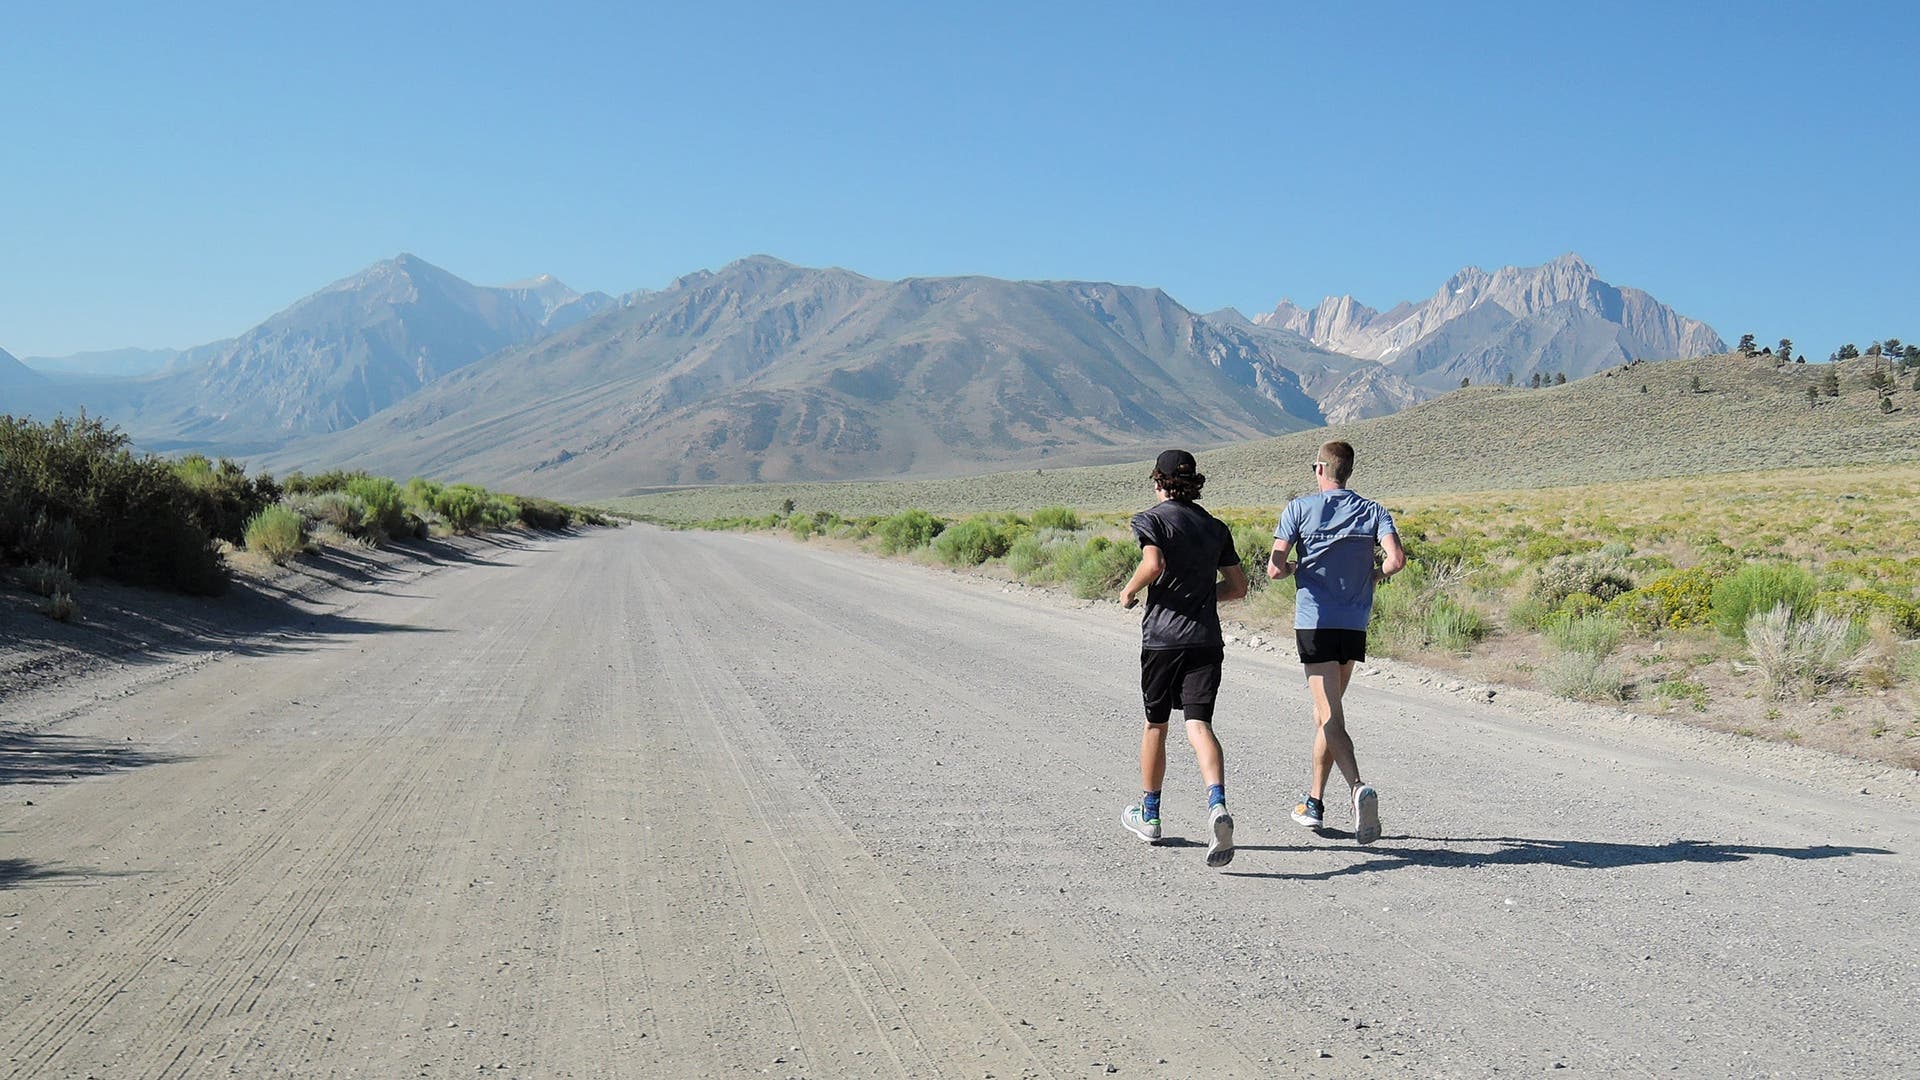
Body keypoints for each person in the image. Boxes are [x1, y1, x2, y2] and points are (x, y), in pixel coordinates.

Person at [1267, 440, 1405, 845]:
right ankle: (1314, 802)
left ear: (1320, 470)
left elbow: (1275, 570)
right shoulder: (1374, 510)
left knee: (1329, 714)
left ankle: (1358, 788)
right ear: (1347, 471)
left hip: (1315, 622)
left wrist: (1291, 565)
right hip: (1354, 622)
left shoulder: (1298, 509)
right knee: (1327, 714)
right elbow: (1396, 560)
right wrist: (1374, 575)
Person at [1119, 449, 1249, 868]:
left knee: (1156, 724)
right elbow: (1238, 587)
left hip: (1163, 641)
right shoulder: (1215, 527)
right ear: (1194, 483)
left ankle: (1150, 814)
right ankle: (1217, 806)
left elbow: (1152, 563)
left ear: (1158, 481)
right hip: (1206, 640)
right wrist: (1199, 597)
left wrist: (1129, 590)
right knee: (1199, 724)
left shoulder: (1152, 519)